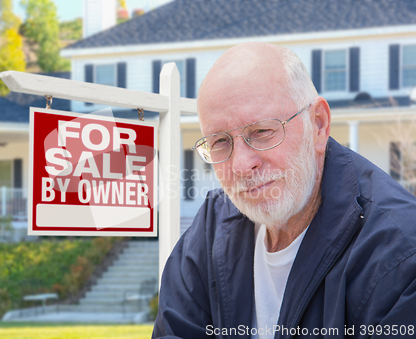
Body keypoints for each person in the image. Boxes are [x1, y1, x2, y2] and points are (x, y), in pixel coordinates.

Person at [152, 42, 416, 339]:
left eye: (262, 132)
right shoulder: (211, 227)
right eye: (220, 142)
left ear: (318, 124)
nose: (241, 165)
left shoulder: (400, 254)